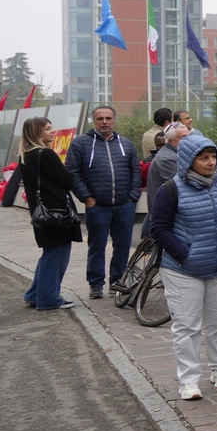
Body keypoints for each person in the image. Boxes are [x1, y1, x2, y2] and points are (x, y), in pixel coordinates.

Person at [150, 133, 217, 401]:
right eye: (204, 158)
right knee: (187, 326)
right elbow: (159, 229)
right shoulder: (171, 189)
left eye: (213, 156)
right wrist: (185, 255)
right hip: (182, 270)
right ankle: (188, 380)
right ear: (188, 161)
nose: (211, 162)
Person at [2, 116, 83, 310]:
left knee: (49, 254)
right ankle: (48, 299)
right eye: (47, 129)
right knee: (56, 257)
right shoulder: (46, 154)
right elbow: (67, 181)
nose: (52, 131)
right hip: (57, 212)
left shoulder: (26, 155)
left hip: (42, 212)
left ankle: (34, 295)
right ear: (37, 133)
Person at [66, 105, 140, 300]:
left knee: (122, 245)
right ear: (94, 121)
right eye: (100, 119)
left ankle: (118, 280)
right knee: (97, 245)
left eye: (108, 118)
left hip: (125, 205)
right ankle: (96, 283)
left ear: (114, 120)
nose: (105, 122)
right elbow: (72, 172)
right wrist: (86, 197)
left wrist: (133, 197)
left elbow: (135, 171)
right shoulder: (81, 144)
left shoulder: (126, 144)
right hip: (97, 206)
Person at [147, 123, 189, 212]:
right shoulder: (168, 159)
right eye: (183, 138)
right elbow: (182, 187)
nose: (189, 140)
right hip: (166, 212)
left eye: (189, 137)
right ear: (171, 142)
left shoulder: (174, 154)